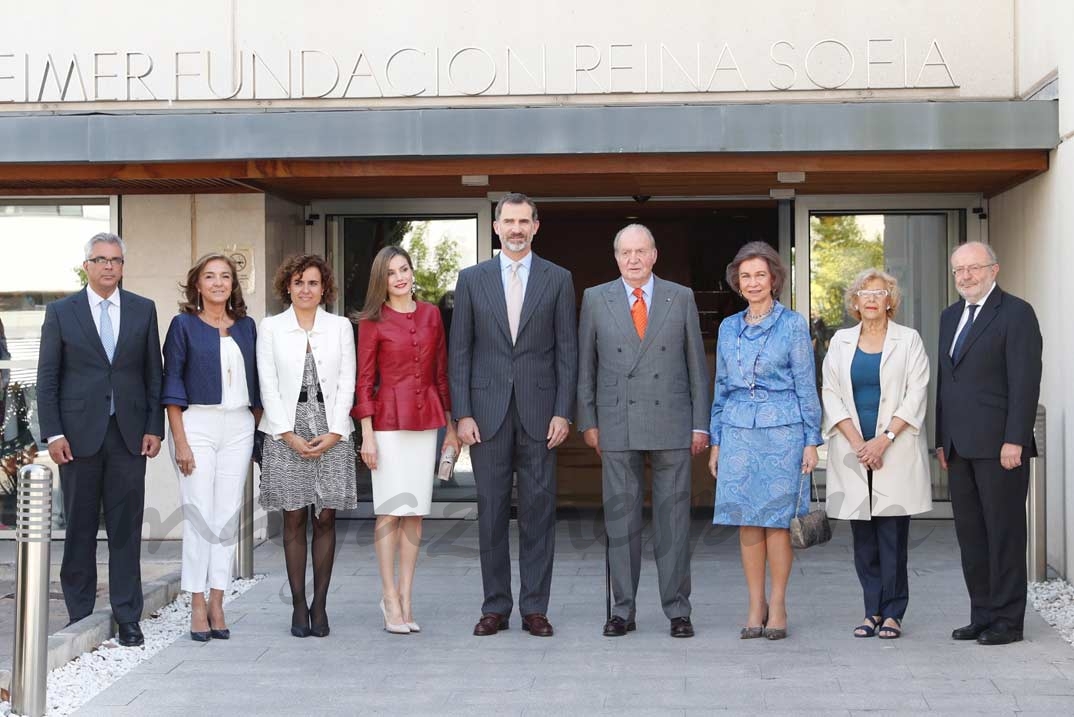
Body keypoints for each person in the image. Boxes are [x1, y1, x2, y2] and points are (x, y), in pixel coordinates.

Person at [449, 192, 578, 637]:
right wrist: (461, 412)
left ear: (536, 226)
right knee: (490, 512)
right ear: (497, 227)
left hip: (542, 414)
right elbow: (460, 351)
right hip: (485, 415)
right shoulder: (471, 279)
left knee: (539, 512)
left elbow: (568, 351)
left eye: (525, 221)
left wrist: (564, 411)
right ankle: (495, 607)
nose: (517, 229)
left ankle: (535, 608)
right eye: (509, 221)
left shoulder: (558, 279)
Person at [576, 224, 709, 639]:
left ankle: (678, 610)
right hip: (616, 421)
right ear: (616, 258)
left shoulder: (680, 297)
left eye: (641, 251)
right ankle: (622, 610)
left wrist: (700, 423)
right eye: (625, 252)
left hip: (672, 419)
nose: (633, 259)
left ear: (654, 255)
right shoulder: (595, 299)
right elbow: (586, 367)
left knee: (673, 523)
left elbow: (696, 368)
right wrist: (589, 420)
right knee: (621, 522)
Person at [36, 232, 164, 647]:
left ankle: (128, 615)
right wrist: (53, 433)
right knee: (80, 528)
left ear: (123, 266)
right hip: (76, 438)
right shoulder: (61, 312)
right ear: (86, 266)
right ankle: (80, 615)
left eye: (115, 260)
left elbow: (153, 376)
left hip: (129, 436)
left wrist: (153, 427)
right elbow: (47, 380)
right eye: (100, 259)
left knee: (126, 529)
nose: (108, 266)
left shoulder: (144, 311)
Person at [708, 241, 821, 641]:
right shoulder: (727, 327)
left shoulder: (792, 324)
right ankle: (755, 604)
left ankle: (780, 603)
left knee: (776, 523)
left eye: (760, 275)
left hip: (783, 433)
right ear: (737, 283)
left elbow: (807, 386)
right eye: (745, 276)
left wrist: (812, 440)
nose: (753, 282)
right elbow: (721, 386)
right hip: (738, 432)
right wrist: (717, 441)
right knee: (747, 523)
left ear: (774, 279)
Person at [937, 241, 1042, 646]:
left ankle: (1007, 621)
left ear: (994, 270)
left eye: (973, 268)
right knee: (972, 537)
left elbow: (1025, 382)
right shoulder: (950, 317)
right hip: (959, 449)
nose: (965, 276)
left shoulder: (1016, 314)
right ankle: (981, 615)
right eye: (958, 269)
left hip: (1002, 449)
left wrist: (1015, 439)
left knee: (1005, 535)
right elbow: (948, 383)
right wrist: (940, 439)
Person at [820, 269, 932, 640]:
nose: (870, 299)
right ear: (855, 302)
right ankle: (871, 611)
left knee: (892, 537)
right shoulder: (840, 341)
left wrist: (883, 440)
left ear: (890, 301)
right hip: (854, 451)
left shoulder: (909, 340)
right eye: (863, 294)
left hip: (893, 451)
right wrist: (858, 443)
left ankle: (894, 612)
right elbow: (831, 392)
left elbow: (916, 394)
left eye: (879, 293)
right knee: (863, 538)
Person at [354, 246, 460, 634]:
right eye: (391, 272)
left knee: (414, 512)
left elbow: (442, 373)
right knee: (389, 512)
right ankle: (389, 598)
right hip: (386, 424)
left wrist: (450, 425)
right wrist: (366, 435)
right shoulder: (372, 321)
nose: (399, 277)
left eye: (404, 269)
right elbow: (364, 381)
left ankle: (407, 597)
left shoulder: (432, 314)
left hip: (426, 420)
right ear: (381, 280)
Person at [257, 255, 357, 638]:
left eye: (312, 283)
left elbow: (348, 381)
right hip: (286, 430)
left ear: (323, 288)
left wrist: (334, 431)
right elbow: (267, 383)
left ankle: (321, 605)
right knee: (295, 518)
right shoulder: (271, 328)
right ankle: (299, 605)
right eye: (298, 282)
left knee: (325, 518)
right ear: (287, 286)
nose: (305, 289)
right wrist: (287, 433)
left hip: (332, 429)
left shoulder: (340, 327)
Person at [162, 253, 260, 641]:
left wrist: (255, 425)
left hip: (239, 424)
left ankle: (219, 598)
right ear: (197, 284)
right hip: (197, 425)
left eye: (225, 276)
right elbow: (171, 385)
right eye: (210, 276)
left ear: (233, 284)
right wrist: (180, 441)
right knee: (200, 517)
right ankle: (197, 602)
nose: (218, 282)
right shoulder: (184, 325)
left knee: (226, 517)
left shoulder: (247, 327)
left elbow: (258, 379)